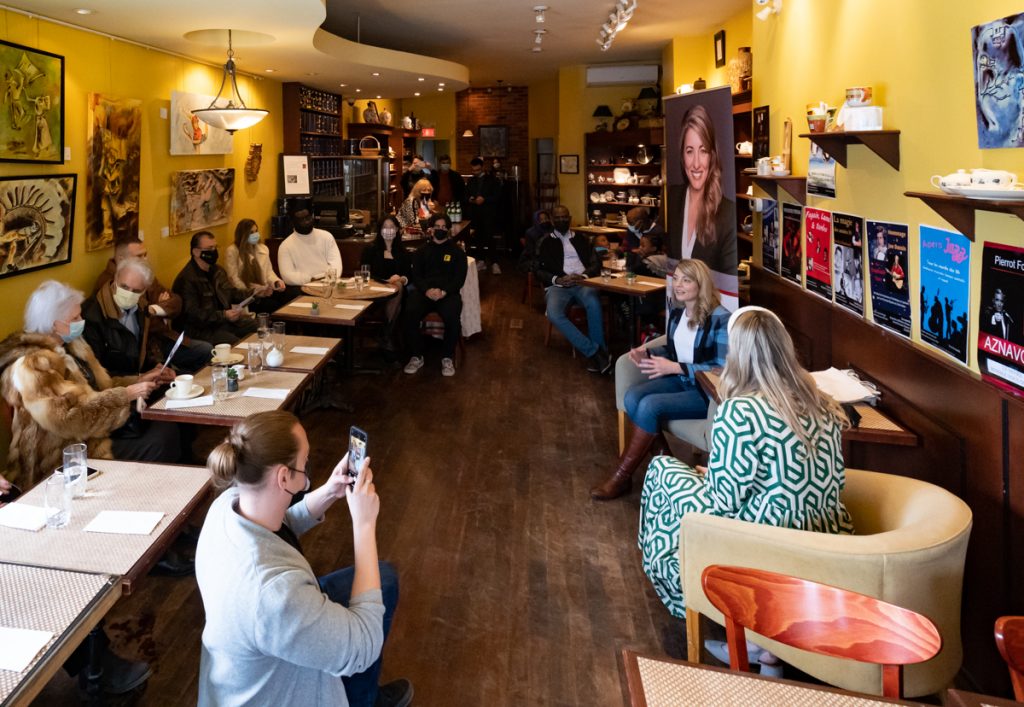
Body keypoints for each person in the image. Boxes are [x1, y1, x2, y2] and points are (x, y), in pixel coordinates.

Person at [638, 306, 854, 621]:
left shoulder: (739, 412)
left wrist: (712, 478)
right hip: (824, 534)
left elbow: (723, 502)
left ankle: (686, 586)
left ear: (738, 356)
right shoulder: (824, 404)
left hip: (762, 540)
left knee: (661, 472)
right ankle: (765, 646)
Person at [196, 410, 412, 707]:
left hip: (256, 637)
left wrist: (329, 492)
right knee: (376, 597)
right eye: (304, 463)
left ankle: (365, 696)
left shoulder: (228, 504)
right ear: (283, 477)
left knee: (384, 579)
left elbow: (276, 528)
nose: (307, 473)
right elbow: (365, 645)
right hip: (270, 677)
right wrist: (364, 525)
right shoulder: (274, 595)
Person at [0, 280, 181, 490]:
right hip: (62, 453)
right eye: (75, 317)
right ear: (53, 324)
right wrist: (126, 395)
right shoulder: (33, 365)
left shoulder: (74, 345)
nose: (82, 320)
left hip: (91, 432)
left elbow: (101, 386)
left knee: (166, 430)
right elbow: (67, 419)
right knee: (160, 440)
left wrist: (141, 379)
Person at [591, 259, 730, 500]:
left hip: (705, 392)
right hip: (681, 380)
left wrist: (675, 367)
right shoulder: (677, 311)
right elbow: (673, 349)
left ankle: (621, 477)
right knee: (632, 396)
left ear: (701, 283)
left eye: (686, 280)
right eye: (675, 279)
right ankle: (669, 465)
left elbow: (721, 368)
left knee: (648, 405)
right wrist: (649, 353)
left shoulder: (720, 318)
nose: (678, 285)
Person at [92, 237, 212, 372]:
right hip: (146, 349)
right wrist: (160, 316)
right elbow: (141, 323)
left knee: (206, 351)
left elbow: (176, 301)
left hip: (161, 339)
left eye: (145, 255)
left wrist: (155, 309)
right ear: (121, 259)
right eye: (139, 256)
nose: (145, 259)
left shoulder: (144, 274)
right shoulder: (107, 284)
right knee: (202, 354)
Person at [536, 205, 610, 374]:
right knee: (554, 314)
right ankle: (595, 352)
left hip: (582, 283)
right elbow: (536, 268)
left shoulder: (582, 239)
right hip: (557, 286)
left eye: (564, 217)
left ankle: (599, 352)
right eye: (558, 217)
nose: (561, 220)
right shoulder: (544, 242)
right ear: (552, 220)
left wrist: (583, 276)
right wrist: (557, 279)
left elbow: (595, 264)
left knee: (593, 302)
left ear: (569, 218)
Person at [666, 105, 737, 275]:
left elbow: (728, 280)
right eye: (690, 151)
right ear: (682, 156)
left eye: (703, 151)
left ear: (712, 156)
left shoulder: (727, 213)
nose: (696, 164)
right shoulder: (672, 198)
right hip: (675, 301)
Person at [402, 214, 467, 377]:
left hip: (448, 293)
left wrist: (443, 291)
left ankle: (447, 357)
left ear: (449, 229)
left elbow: (459, 279)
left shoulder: (458, 253)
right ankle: (417, 355)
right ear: (430, 230)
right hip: (425, 292)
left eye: (444, 227)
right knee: (409, 311)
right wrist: (427, 290)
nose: (440, 229)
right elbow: (416, 276)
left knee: (453, 316)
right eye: (437, 226)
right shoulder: (420, 252)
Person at [172, 231, 259, 345]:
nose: (214, 251)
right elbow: (192, 314)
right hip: (200, 329)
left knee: (256, 325)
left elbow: (232, 294)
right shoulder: (187, 279)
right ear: (196, 252)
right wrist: (223, 315)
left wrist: (255, 293)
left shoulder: (218, 271)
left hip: (221, 322)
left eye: (215, 247)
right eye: (209, 248)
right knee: (233, 342)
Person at [83, 256, 164, 376]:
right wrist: (137, 380)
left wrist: (157, 366)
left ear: (144, 290)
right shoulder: (91, 315)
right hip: (117, 386)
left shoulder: (142, 307)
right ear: (115, 279)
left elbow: (147, 346)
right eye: (124, 287)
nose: (129, 294)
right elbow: (96, 372)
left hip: (141, 378)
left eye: (136, 291)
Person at [360, 215, 410, 353]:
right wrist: (386, 282)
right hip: (375, 292)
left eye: (392, 227)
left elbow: (408, 276)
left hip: (396, 294)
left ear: (397, 230)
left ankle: (384, 335)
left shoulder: (403, 252)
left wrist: (401, 279)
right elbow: (365, 273)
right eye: (385, 227)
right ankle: (386, 337)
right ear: (380, 230)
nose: (388, 230)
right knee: (397, 306)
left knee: (398, 288)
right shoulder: (370, 250)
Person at [224, 218, 289, 312]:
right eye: (251, 232)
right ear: (243, 235)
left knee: (287, 297)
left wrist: (276, 282)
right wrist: (256, 291)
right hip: (247, 296)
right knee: (273, 306)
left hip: (264, 290)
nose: (255, 235)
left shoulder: (263, 248)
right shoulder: (232, 251)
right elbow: (234, 280)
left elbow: (269, 272)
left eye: (256, 231)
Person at [277, 205, 344, 286]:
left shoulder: (326, 236)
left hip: (328, 283)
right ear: (293, 223)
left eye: (308, 218)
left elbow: (336, 264)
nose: (306, 222)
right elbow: (288, 276)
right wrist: (311, 280)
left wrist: (327, 279)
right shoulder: (285, 246)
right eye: (301, 220)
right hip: (303, 286)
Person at [464, 156, 502, 274]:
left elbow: (497, 196)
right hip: (475, 213)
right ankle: (481, 261)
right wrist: (470, 199)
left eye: (478, 170)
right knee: (478, 237)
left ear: (483, 168)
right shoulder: (471, 181)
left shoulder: (492, 180)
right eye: (474, 170)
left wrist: (484, 199)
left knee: (490, 237)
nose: (475, 172)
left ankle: (495, 263)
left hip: (489, 213)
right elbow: (466, 194)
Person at [519, 209, 552, 274]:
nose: (544, 221)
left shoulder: (553, 229)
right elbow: (531, 252)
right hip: (533, 258)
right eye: (541, 220)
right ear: (536, 221)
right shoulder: (530, 232)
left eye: (546, 218)